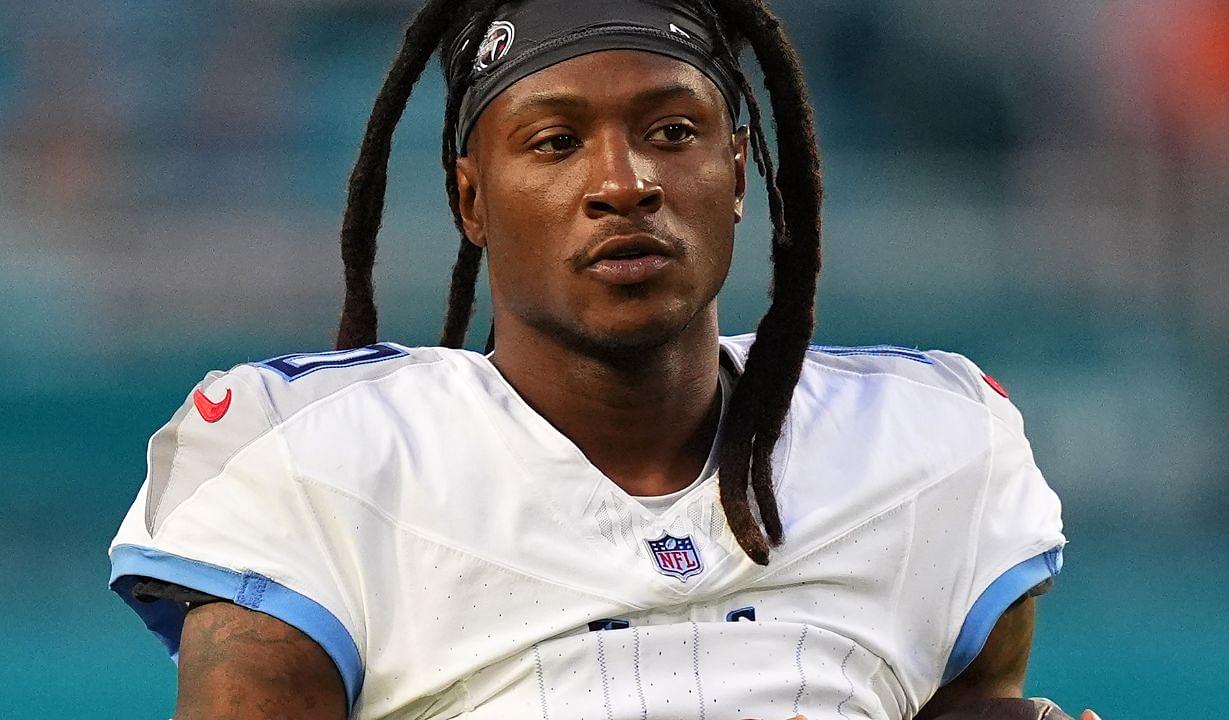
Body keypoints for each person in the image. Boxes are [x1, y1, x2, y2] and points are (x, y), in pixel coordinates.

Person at [108, 1, 1088, 719]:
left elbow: (970, 702)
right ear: (470, 198)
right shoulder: (314, 459)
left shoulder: (932, 442)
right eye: (555, 141)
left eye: (671, 132)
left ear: (739, 169)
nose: (624, 183)